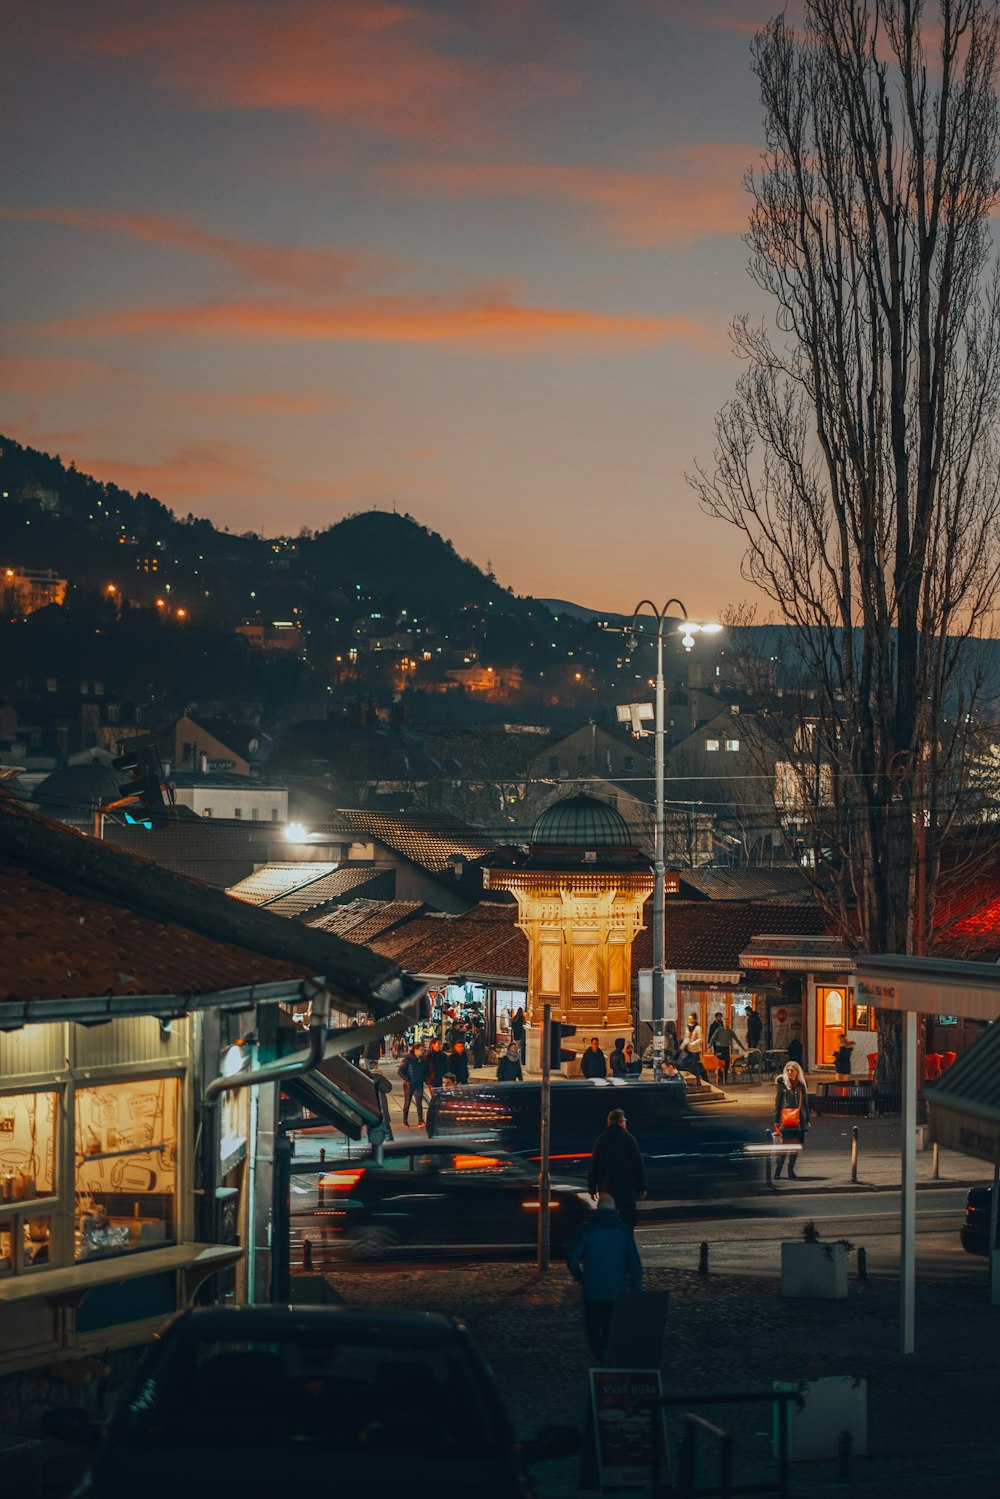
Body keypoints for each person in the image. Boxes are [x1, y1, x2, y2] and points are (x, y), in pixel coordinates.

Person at [566, 1191, 643, 1363]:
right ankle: (608, 1352)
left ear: (597, 1210)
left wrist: (579, 1277)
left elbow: (572, 1259)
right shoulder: (623, 1232)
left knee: (593, 1325)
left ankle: (599, 1353)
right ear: (614, 1210)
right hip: (617, 1290)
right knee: (611, 1325)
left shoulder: (586, 1230)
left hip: (592, 1289)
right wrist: (636, 1289)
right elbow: (635, 1265)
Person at [587, 1108, 647, 1228]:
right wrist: (642, 1186)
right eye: (624, 1120)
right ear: (620, 1122)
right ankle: (625, 1242)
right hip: (627, 1187)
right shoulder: (628, 1139)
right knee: (628, 1220)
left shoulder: (602, 1140)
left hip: (607, 1187)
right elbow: (637, 1164)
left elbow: (595, 1165)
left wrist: (592, 1188)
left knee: (608, 1219)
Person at [773, 1060, 810, 1179]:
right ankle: (778, 1172)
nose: (789, 1072)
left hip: (800, 1120)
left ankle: (790, 1171)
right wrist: (776, 1120)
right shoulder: (782, 1084)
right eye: (787, 1070)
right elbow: (777, 1103)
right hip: (787, 1119)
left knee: (795, 1147)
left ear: (797, 1071)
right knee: (785, 1146)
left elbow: (805, 1103)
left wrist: (808, 1119)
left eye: (792, 1070)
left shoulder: (801, 1085)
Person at [397, 1042, 427, 1127]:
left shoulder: (423, 1060)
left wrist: (424, 1079)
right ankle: (405, 1120)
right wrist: (407, 1079)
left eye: (423, 1050)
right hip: (409, 1085)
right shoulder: (408, 1059)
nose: (422, 1052)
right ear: (415, 1050)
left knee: (419, 1103)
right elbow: (400, 1071)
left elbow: (425, 1071)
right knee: (407, 1103)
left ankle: (420, 1121)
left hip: (419, 1084)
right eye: (421, 1050)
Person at [711, 1019, 746, 1084]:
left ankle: (725, 1079)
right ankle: (720, 1077)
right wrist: (709, 1046)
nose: (726, 1023)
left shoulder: (730, 1032)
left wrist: (743, 1048)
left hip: (726, 1048)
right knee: (719, 1063)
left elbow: (737, 1040)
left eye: (728, 1022)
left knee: (726, 1063)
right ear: (723, 1023)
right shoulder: (719, 1030)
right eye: (725, 1022)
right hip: (719, 1048)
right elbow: (713, 1038)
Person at [678, 1013, 706, 1081]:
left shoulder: (698, 1028)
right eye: (688, 1019)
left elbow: (701, 1038)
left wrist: (693, 1043)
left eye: (690, 1019)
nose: (689, 1020)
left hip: (695, 1050)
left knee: (694, 1064)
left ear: (694, 1019)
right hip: (687, 1048)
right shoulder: (687, 1027)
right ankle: (694, 1076)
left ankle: (698, 1078)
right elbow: (686, 1038)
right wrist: (682, 1046)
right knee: (683, 1061)